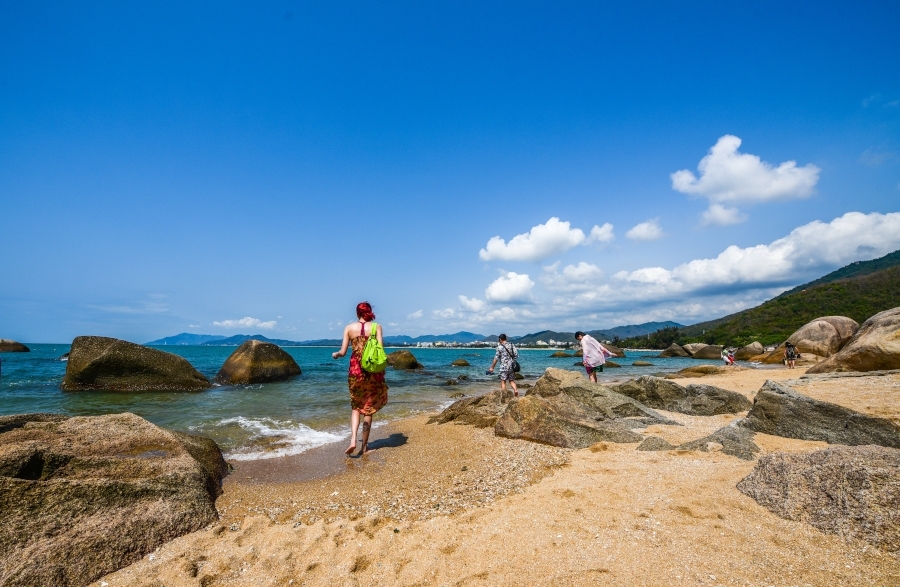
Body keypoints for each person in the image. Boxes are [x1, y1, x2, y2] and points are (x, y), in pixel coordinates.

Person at [332, 302, 389, 456]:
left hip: (355, 373)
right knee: (368, 410)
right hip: (372, 373)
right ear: (369, 312)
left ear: (357, 313)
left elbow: (343, 352)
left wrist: (336, 355)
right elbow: (380, 350)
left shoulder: (349, 328)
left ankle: (352, 440)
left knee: (356, 407)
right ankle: (364, 448)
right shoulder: (376, 327)